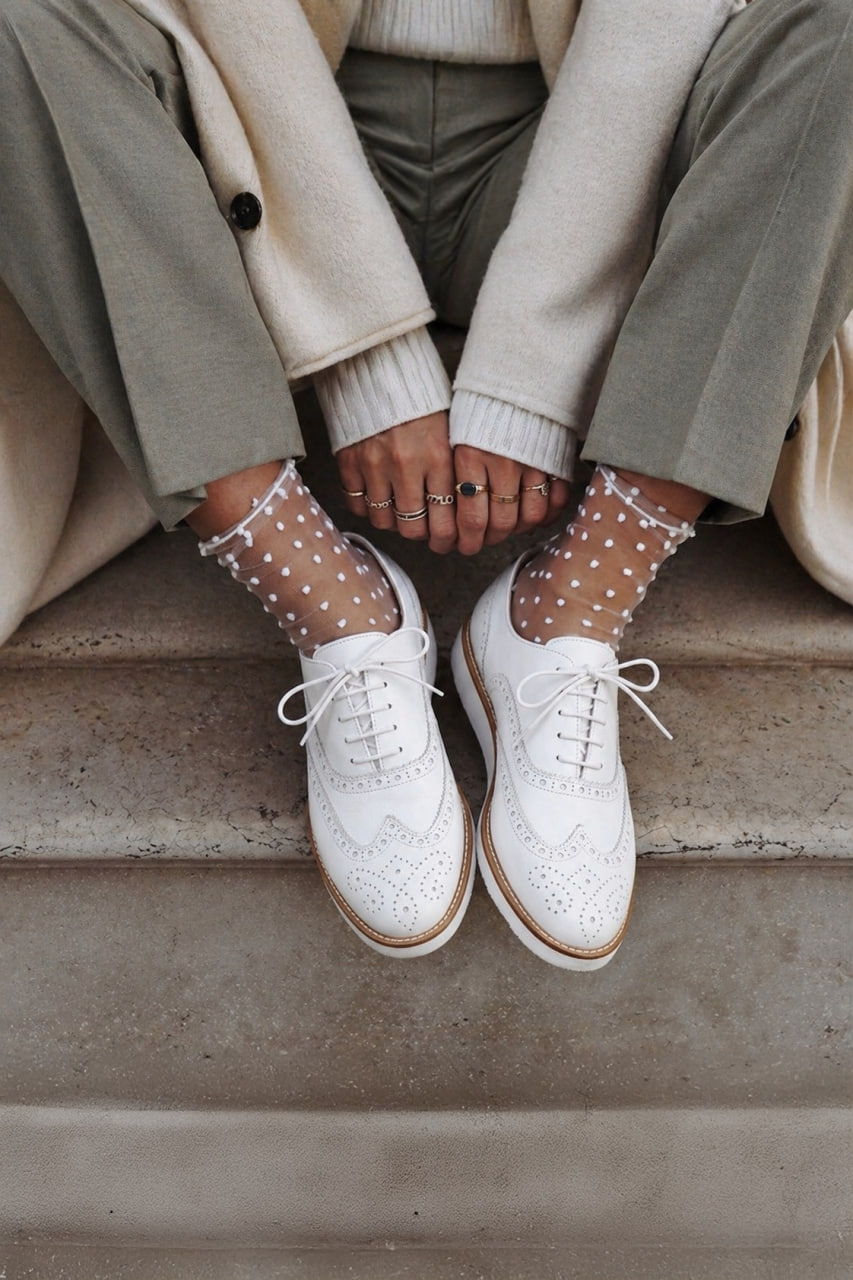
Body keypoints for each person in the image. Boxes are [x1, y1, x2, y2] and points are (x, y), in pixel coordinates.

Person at [1, 0, 851, 968]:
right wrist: (368, 359)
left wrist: (532, 377)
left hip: (584, 114)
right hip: (254, 112)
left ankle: (568, 609)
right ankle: (334, 605)